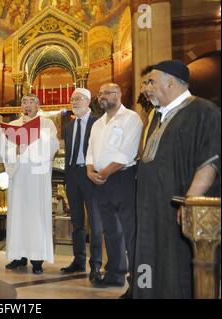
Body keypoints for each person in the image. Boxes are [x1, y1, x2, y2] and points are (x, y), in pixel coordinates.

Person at [133, 60, 221, 299]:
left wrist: (189, 203)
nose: (145, 88)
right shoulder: (158, 116)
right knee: (149, 263)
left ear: (170, 82)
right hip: (151, 210)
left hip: (179, 212)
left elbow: (210, 161)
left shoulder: (204, 111)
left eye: (151, 82)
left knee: (176, 268)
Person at [86, 83, 143, 294]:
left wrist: (104, 173)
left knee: (130, 232)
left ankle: (136, 283)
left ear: (118, 94)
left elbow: (127, 152)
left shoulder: (131, 118)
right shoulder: (98, 123)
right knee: (110, 230)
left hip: (122, 179)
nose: (101, 97)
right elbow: (91, 151)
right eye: (99, 94)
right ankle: (115, 275)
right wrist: (90, 171)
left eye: (106, 93)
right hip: (100, 182)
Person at [2, 93, 60, 274]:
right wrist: (16, 149)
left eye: (31, 102)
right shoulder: (12, 126)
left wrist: (31, 145)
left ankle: (36, 260)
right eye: (24, 102)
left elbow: (53, 145)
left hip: (37, 177)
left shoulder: (47, 124)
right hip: (19, 176)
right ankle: (19, 256)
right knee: (18, 215)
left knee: (36, 217)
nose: (27, 105)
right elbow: (4, 149)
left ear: (38, 105)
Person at [60, 88, 103, 283]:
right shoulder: (68, 126)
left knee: (95, 222)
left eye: (78, 99)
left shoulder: (98, 123)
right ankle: (78, 260)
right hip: (73, 176)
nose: (74, 102)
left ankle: (95, 264)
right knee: (76, 221)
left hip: (90, 175)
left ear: (88, 101)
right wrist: (67, 177)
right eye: (72, 99)